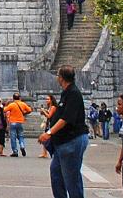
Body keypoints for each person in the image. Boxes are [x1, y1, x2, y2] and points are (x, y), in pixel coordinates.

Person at [41, 67, 89, 198]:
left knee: (71, 178)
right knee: (56, 173)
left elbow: (66, 119)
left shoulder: (73, 93)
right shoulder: (66, 93)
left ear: (61, 78)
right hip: (63, 143)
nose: (57, 77)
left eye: (58, 75)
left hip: (72, 140)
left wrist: (49, 133)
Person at [5, 92, 32, 157]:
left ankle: (15, 151)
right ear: (20, 98)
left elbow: (5, 110)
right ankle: (22, 146)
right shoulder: (23, 104)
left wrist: (6, 104)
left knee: (13, 137)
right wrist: (25, 112)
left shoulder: (12, 105)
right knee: (21, 136)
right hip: (20, 122)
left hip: (13, 122)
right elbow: (30, 110)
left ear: (13, 98)